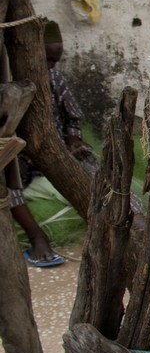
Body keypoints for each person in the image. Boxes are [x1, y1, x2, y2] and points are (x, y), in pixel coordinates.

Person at [11, 19, 96, 267]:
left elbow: (72, 116)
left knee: (95, 169)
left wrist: (73, 140)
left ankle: (129, 221)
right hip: (19, 158)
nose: (51, 67)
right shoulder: (10, 80)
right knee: (7, 183)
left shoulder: (54, 77)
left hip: (55, 152)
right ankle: (37, 236)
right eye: (47, 60)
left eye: (55, 62)